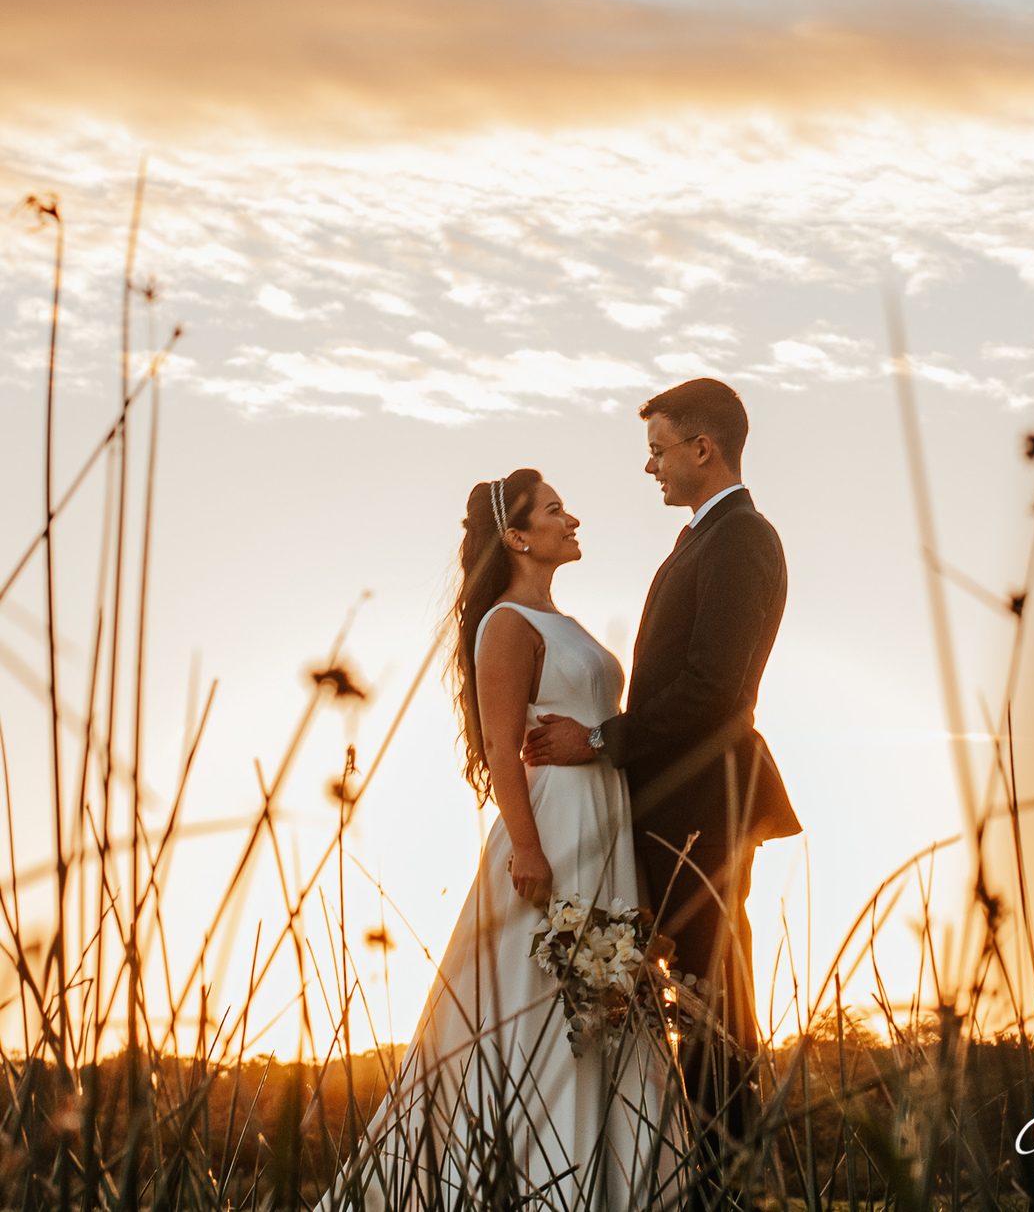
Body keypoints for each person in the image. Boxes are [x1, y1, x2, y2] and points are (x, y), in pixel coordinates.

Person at [326, 469, 683, 1212]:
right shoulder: (505, 624)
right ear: (517, 536)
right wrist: (525, 847)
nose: (572, 518)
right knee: (547, 1000)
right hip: (553, 826)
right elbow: (500, 745)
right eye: (555, 510)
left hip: (602, 821)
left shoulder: (563, 622)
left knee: (607, 998)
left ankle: (615, 1178)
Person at [521, 380, 800, 1127]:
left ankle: (729, 1174)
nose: (652, 468)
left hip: (704, 810)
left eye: (658, 450)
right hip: (676, 808)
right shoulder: (704, 538)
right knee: (695, 1001)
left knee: (716, 1003)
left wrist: (601, 739)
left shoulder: (741, 539)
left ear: (702, 448)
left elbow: (714, 689)